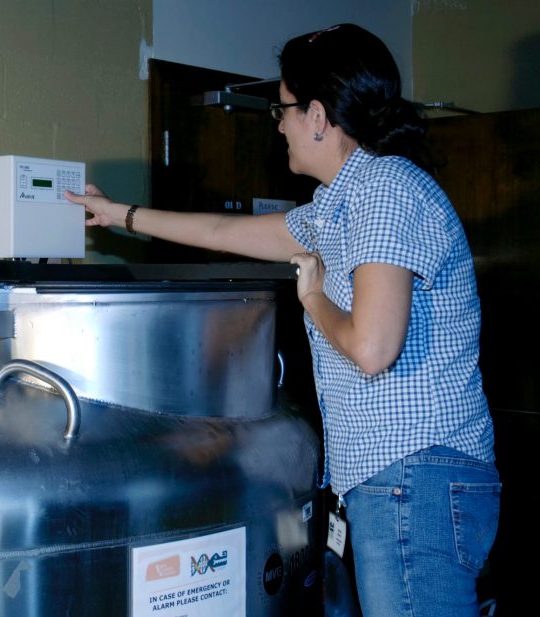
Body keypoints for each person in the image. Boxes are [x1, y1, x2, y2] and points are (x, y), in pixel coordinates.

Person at [65, 23, 500, 617]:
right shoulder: (340, 204)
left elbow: (373, 347)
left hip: (415, 478)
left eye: (284, 108)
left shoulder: (385, 191)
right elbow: (223, 233)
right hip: (398, 481)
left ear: (318, 116)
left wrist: (314, 297)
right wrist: (119, 214)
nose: (279, 123)